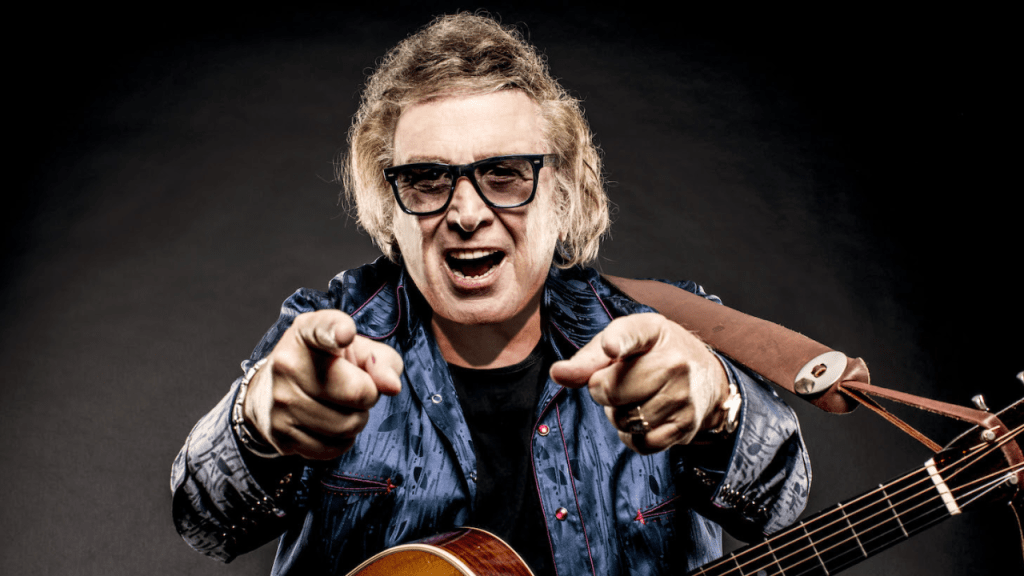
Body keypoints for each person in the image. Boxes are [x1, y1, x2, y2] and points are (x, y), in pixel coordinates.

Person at [171, 13, 810, 576]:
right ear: (388, 207)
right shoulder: (327, 336)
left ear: (564, 194)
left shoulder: (662, 336)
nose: (467, 213)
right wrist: (258, 421)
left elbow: (780, 506)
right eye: (426, 179)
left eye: (504, 173)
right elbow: (204, 520)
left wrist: (720, 403)